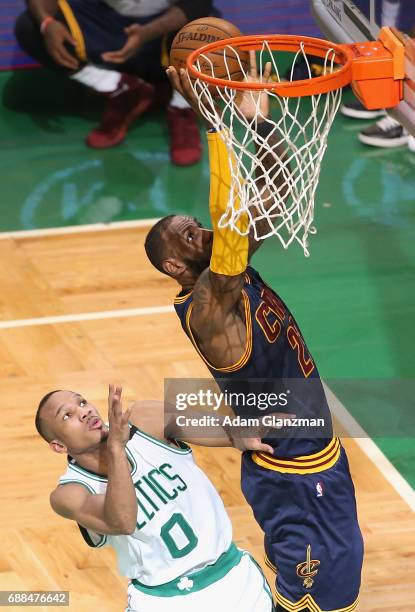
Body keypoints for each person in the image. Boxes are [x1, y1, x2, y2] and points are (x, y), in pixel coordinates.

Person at [144, 61, 364, 612]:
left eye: (196, 222)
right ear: (175, 264)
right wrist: (213, 121)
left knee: (338, 589)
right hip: (290, 470)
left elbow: (276, 189)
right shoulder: (208, 305)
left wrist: (261, 124)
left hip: (314, 452)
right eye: (189, 233)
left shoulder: (231, 271)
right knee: (318, 601)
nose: (202, 227)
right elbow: (234, 224)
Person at [35, 384, 277, 611]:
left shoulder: (144, 420)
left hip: (234, 584)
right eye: (67, 415)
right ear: (59, 446)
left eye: (82, 402)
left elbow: (228, 431)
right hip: (161, 601)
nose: (84, 412)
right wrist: (116, 449)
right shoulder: (70, 493)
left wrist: (243, 434)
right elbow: (123, 521)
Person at [14, 0, 213, 164]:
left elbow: (198, 5)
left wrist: (146, 33)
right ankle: (120, 88)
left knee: (209, 30)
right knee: (30, 28)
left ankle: (181, 106)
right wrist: (47, 24)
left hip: (164, 29)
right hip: (108, 25)